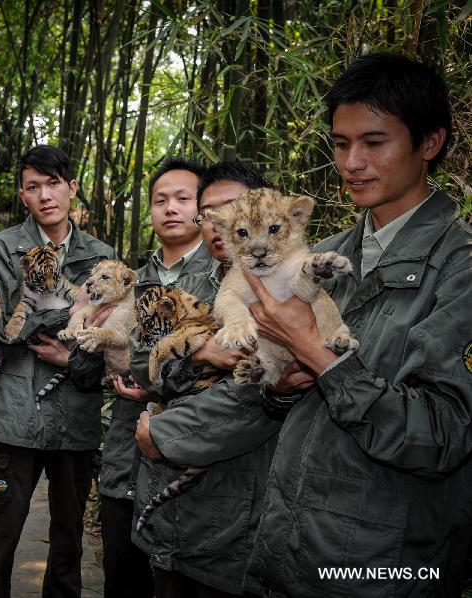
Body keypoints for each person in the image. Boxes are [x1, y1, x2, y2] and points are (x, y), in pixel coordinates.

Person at [143, 52, 472, 597]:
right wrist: (274, 384)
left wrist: (318, 354)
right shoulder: (322, 253)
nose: (352, 163)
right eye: (341, 144)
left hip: (384, 571)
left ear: (430, 143)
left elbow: (442, 437)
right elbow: (275, 389)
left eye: (374, 141)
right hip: (285, 552)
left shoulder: (459, 270)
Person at [130, 160, 279, 598]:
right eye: (207, 213)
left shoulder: (282, 286)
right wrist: (203, 354)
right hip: (172, 510)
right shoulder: (191, 282)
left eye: (231, 207)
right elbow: (141, 359)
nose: (218, 223)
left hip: (243, 510)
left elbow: (263, 392)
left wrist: (164, 432)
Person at [0, 145, 115, 598]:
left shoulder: (101, 254)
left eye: (53, 184)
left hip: (75, 416)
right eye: (33, 187)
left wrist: (69, 351)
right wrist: (67, 310)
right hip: (12, 416)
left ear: (72, 188)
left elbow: (105, 334)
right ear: (23, 196)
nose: (45, 195)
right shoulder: (3, 247)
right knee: (1, 529)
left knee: (68, 534)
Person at [99, 157, 213, 598]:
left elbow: (218, 364)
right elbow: (89, 362)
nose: (171, 208)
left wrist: (145, 370)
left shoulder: (220, 280)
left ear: (202, 209)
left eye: (183, 199)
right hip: (124, 463)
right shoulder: (129, 280)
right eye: (160, 200)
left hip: (190, 468)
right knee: (121, 580)